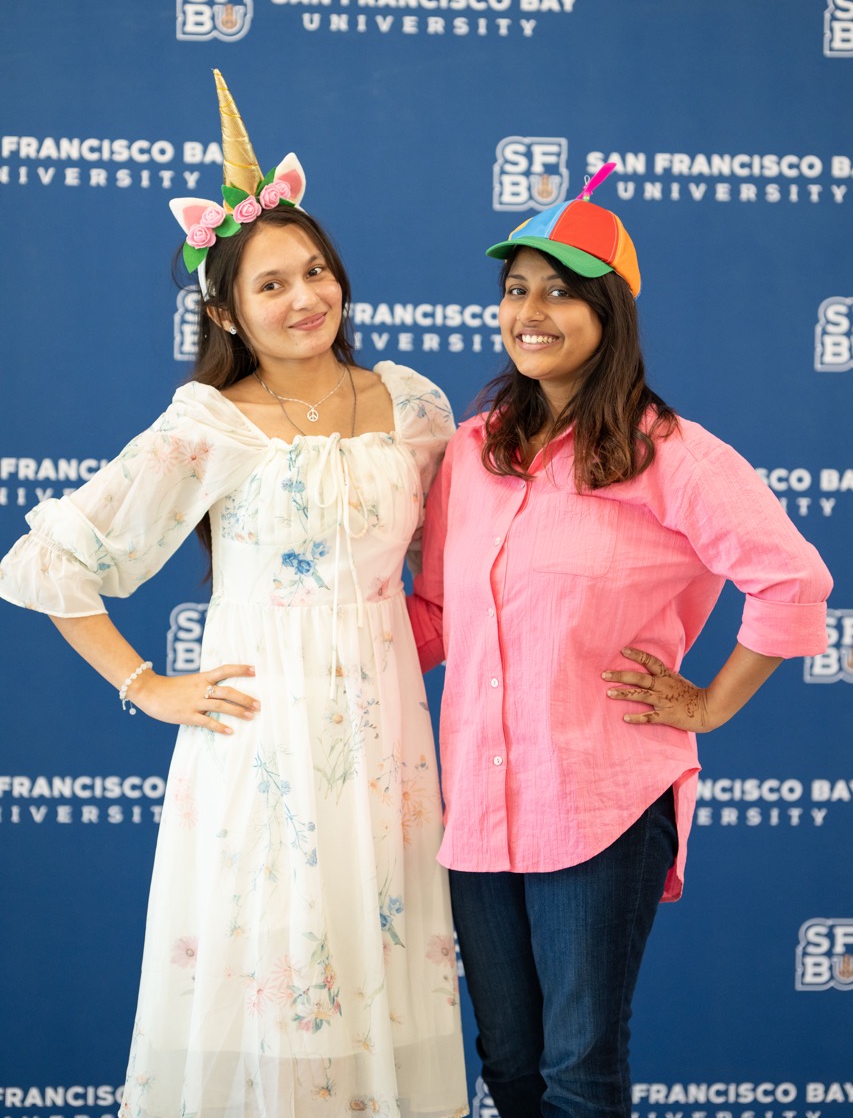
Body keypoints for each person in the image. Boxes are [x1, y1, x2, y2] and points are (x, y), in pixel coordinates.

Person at [0, 72, 468, 1118]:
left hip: (391, 749)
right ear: (224, 308)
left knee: (381, 1004)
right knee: (278, 1007)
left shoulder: (414, 405)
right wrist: (144, 682)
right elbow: (50, 558)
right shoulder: (210, 420)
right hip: (262, 752)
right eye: (271, 284)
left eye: (316, 271)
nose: (305, 298)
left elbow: (469, 568)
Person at [407, 169, 832, 1118]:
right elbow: (433, 614)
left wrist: (711, 702)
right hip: (476, 808)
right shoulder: (470, 453)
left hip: (599, 803)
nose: (531, 311)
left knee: (577, 1068)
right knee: (507, 1064)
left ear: (609, 311)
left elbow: (793, 579)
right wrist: (308, 642)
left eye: (559, 290)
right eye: (515, 289)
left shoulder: (668, 452)